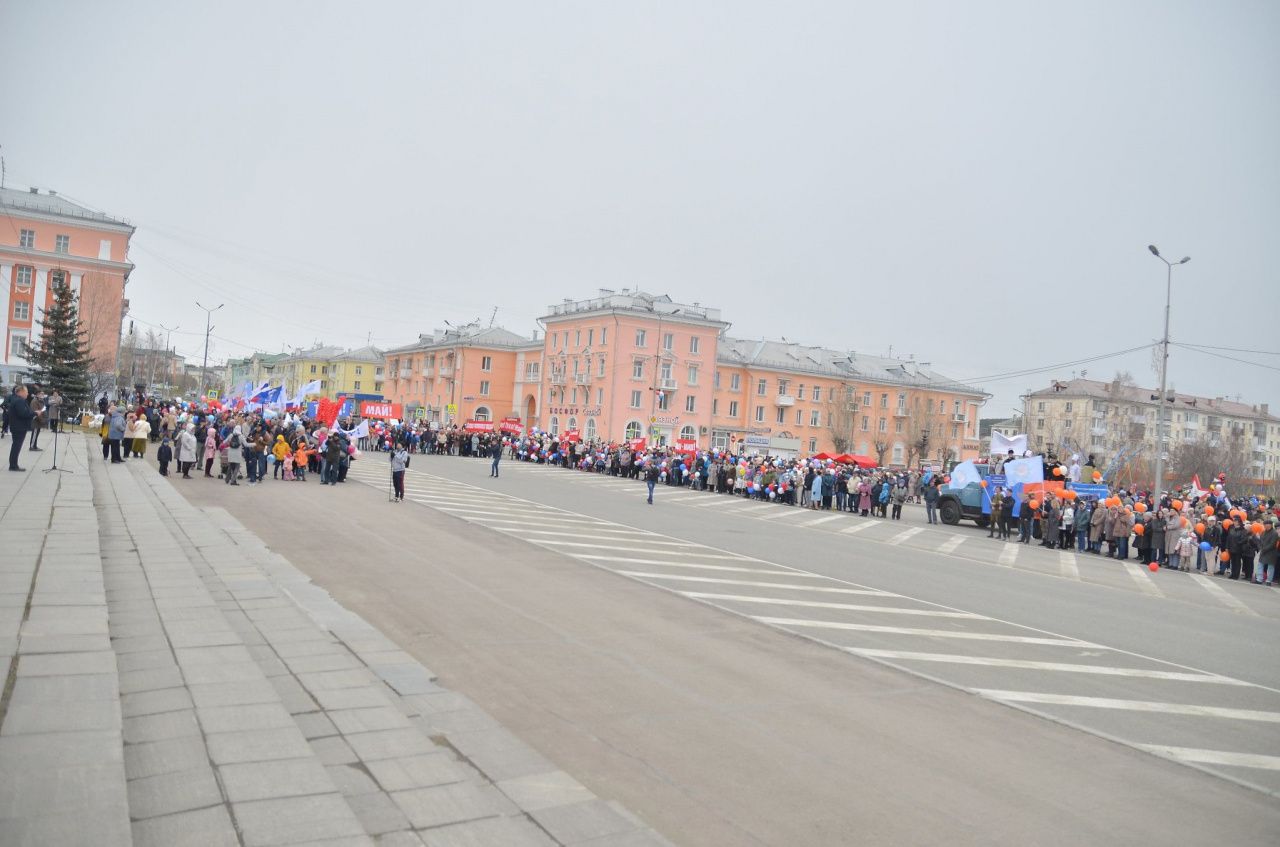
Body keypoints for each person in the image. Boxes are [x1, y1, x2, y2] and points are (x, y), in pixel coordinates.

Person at [5, 384, 34, 471]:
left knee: (16, 446)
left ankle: (13, 465)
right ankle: (13, 466)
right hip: (19, 427)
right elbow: (23, 414)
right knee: (16, 446)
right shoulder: (19, 401)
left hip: (17, 426)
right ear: (21, 392)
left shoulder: (17, 400)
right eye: (26, 392)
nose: (27, 394)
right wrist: (35, 413)